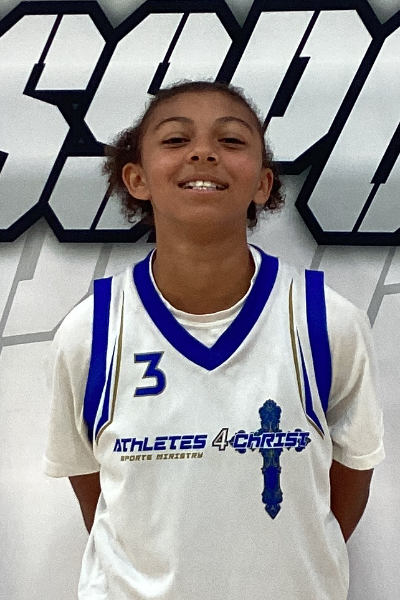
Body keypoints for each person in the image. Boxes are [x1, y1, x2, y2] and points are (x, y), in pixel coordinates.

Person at [43, 80, 384, 600]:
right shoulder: (89, 333)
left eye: (231, 140)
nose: (203, 152)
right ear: (136, 178)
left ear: (263, 184)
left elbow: (349, 481)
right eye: (176, 140)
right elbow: (97, 491)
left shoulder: (327, 321)